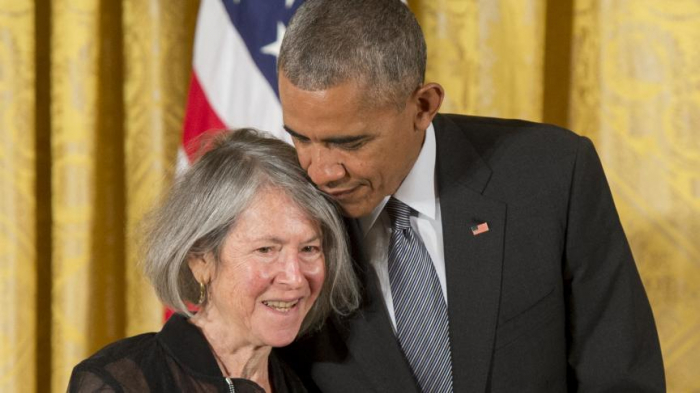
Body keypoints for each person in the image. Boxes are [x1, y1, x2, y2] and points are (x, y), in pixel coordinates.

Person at [276, 0, 665, 392]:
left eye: (351, 143)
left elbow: (624, 379)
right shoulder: (275, 213)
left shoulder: (552, 174)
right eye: (300, 137)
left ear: (423, 106)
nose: (321, 171)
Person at [68, 129, 360, 392]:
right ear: (200, 259)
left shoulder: (311, 384)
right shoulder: (121, 382)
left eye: (309, 249)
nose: (295, 278)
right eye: (266, 250)